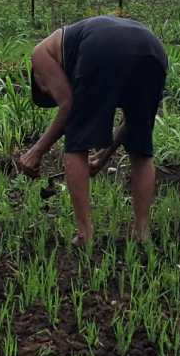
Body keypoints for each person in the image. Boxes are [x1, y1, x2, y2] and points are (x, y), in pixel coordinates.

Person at [18, 16, 168, 244]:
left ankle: (84, 233)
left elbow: (67, 106)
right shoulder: (76, 43)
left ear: (37, 77)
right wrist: (103, 158)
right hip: (154, 50)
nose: (51, 88)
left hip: (103, 47)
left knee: (76, 145)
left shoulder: (40, 54)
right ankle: (142, 231)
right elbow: (130, 122)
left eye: (46, 89)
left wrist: (35, 152)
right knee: (141, 149)